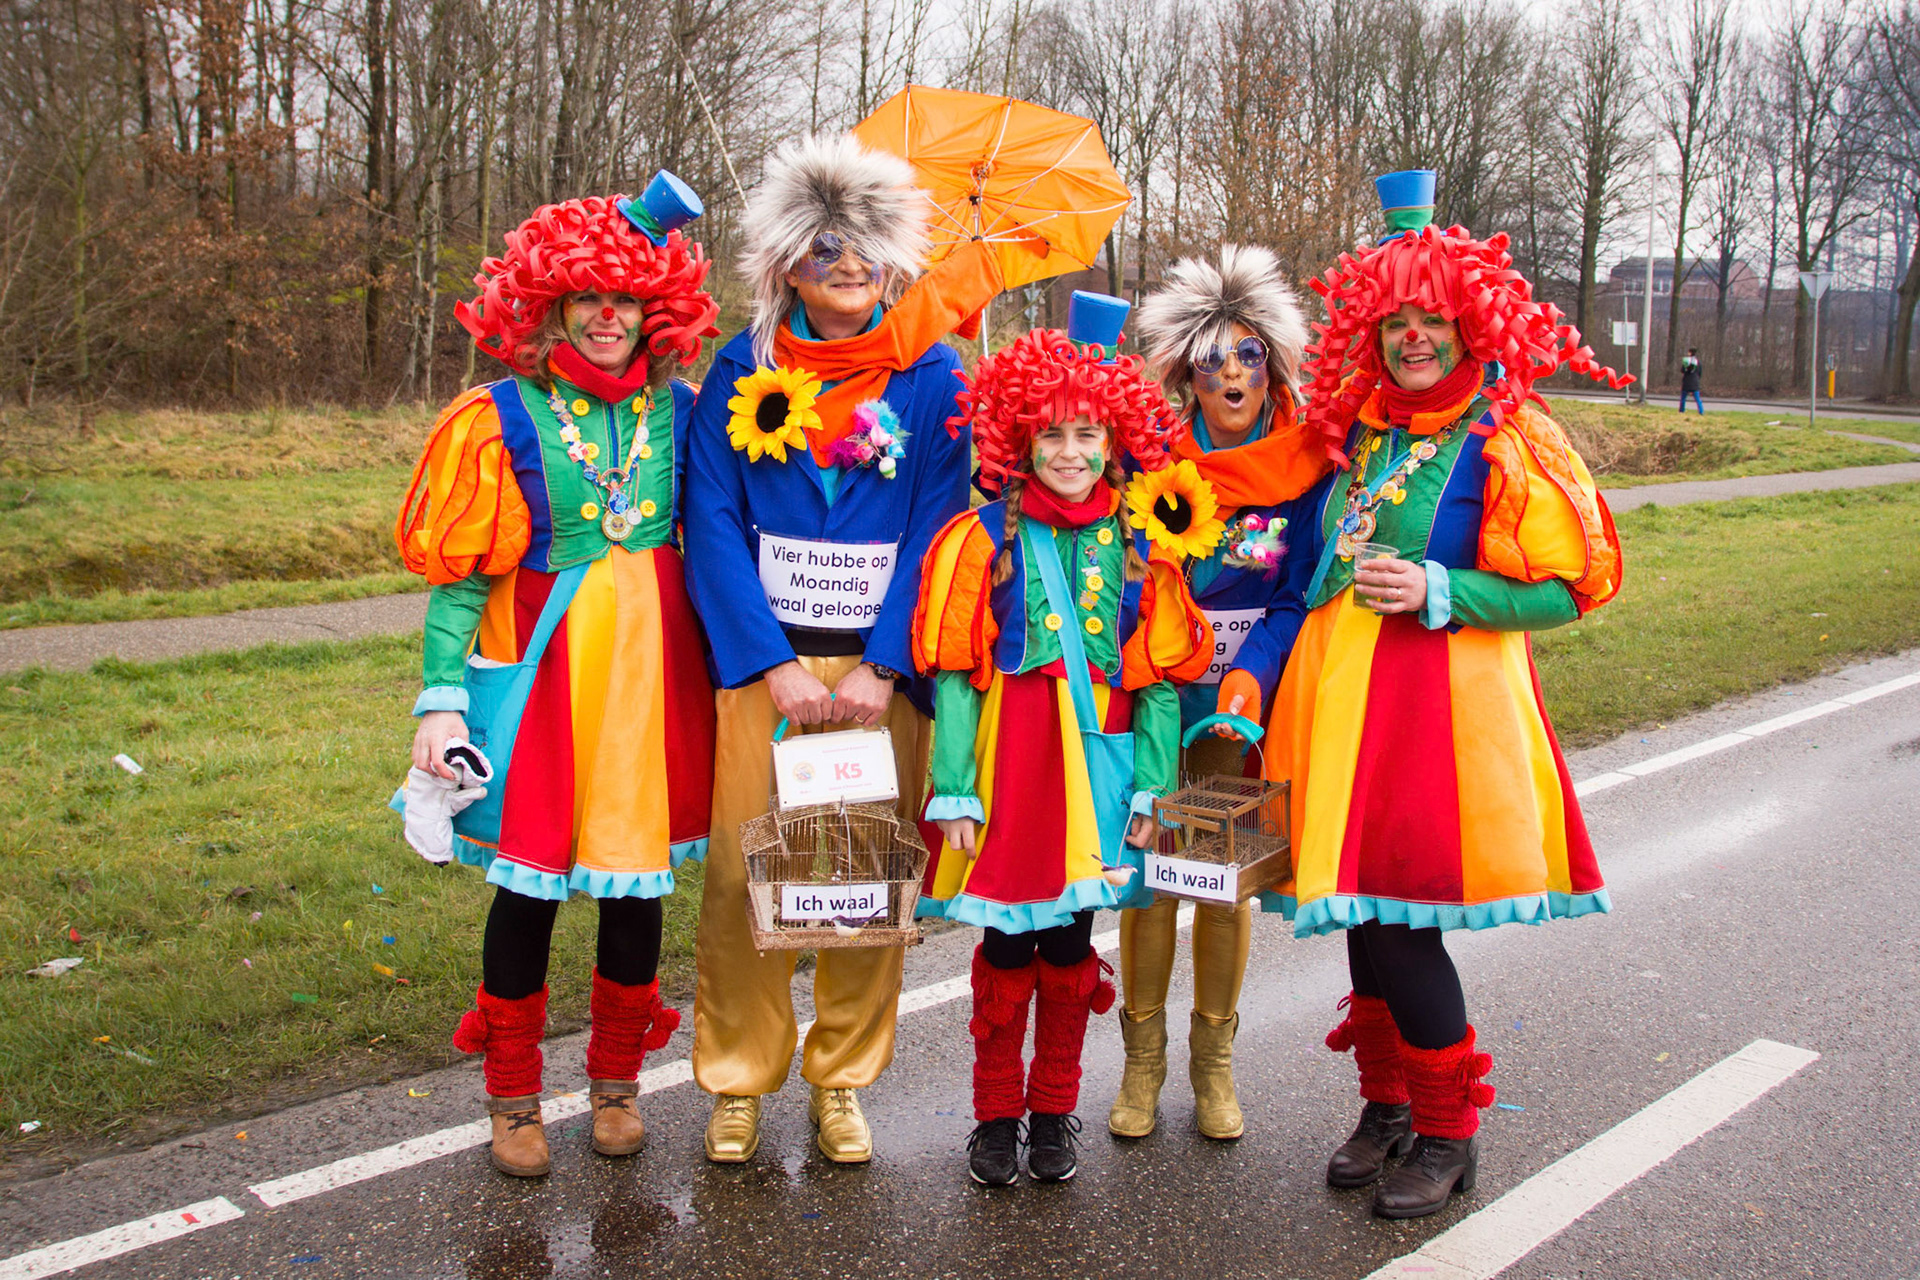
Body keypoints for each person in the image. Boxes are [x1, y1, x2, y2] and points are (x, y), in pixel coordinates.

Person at [1261, 171, 1624, 1218]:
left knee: (1405, 916)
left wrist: (1443, 589)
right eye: (1393, 321)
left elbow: (1576, 585)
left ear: (1471, 324)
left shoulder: (1509, 433)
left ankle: (1450, 1132)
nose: (1411, 337)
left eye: (1430, 318)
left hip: (1435, 716)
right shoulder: (1364, 430)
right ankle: (1386, 1108)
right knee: (1360, 913)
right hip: (1340, 711)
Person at [682, 133, 1005, 1165]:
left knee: (865, 876)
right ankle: (739, 1075)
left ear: (891, 256)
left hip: (880, 678)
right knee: (745, 875)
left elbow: (940, 527)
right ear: (787, 262)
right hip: (765, 671)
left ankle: (843, 1077)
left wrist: (885, 664)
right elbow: (711, 521)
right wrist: (769, 662)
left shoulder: (932, 372)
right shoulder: (742, 365)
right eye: (822, 247)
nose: (846, 264)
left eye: (863, 245)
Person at [394, 177, 721, 1177]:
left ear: (657, 310)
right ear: (548, 305)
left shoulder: (683, 411)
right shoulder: (498, 417)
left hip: (649, 684)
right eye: (587, 297)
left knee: (634, 889)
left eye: (626, 299)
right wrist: (440, 701)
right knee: (527, 892)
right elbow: (460, 583)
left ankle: (616, 1085)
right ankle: (513, 1098)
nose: (608, 317)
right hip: (542, 683)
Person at [914, 298, 1211, 1187]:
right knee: (1007, 945)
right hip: (1010, 767)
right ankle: (994, 1116)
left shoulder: (1139, 545)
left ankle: (1053, 1111)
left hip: (1099, 769)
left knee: (1072, 945)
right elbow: (956, 676)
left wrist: (1153, 789)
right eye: (1052, 434)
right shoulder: (978, 540)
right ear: (1020, 438)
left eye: (1088, 433)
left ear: (1115, 439)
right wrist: (954, 788)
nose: (1070, 452)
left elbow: (1155, 685)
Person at [1105, 247, 1332, 1142]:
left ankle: (1213, 1064)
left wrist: (1250, 677)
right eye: (1211, 360)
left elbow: (1295, 595)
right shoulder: (1149, 460)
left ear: (1272, 364)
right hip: (1162, 700)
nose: (1230, 374)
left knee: (1219, 881)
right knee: (1151, 878)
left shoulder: (1305, 468)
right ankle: (1142, 1063)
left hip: (1240, 709)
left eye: (1247, 355)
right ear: (1184, 376)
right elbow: (1119, 575)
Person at [1680, 347, 1704, 413]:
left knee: (1683, 398)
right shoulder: (1698, 362)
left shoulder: (1686, 361)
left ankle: (1681, 411)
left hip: (1687, 382)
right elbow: (1700, 373)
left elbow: (1682, 370)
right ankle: (1701, 412)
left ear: (1690, 352)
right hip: (1695, 382)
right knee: (1698, 399)